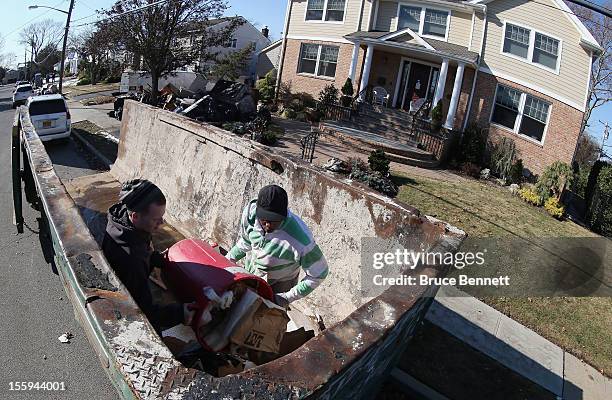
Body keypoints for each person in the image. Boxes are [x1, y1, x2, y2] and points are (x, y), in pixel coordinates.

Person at [102, 179, 195, 330]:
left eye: (162, 217)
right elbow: (144, 314)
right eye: (156, 219)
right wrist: (180, 313)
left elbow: (142, 247)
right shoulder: (132, 261)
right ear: (135, 216)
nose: (162, 223)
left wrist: (154, 258)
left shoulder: (122, 217)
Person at [226, 185, 329, 307]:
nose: (268, 225)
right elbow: (246, 241)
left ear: (284, 215)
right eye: (264, 219)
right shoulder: (250, 214)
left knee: (268, 320)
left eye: (274, 221)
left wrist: (286, 297)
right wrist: (228, 261)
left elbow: (319, 273)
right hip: (252, 273)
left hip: (280, 284)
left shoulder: (301, 241)